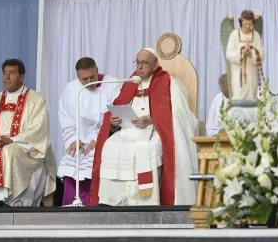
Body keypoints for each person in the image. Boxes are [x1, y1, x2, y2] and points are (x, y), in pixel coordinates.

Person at [90, 48, 198, 206]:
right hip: (128, 131)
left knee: (147, 148)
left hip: (154, 132)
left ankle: (144, 200)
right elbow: (118, 105)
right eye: (137, 62)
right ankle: (111, 199)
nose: (139, 67)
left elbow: (178, 114)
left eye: (144, 63)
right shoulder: (131, 82)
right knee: (110, 145)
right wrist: (114, 121)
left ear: (155, 65)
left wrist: (152, 120)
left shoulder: (169, 83)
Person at [0, 59, 56, 207]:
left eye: (12, 73)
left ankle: (9, 201)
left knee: (8, 152)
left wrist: (11, 141)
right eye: (5, 73)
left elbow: (38, 130)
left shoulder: (36, 100)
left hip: (26, 148)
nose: (7, 77)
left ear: (22, 76)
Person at [57, 57, 119, 206]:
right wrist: (72, 138)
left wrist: (99, 137)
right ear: (78, 77)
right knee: (71, 160)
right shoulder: (71, 89)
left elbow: (113, 115)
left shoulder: (113, 85)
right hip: (78, 139)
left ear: (97, 70)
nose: (89, 82)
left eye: (92, 76)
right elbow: (65, 116)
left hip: (103, 139)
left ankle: (93, 206)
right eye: (84, 79)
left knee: (94, 163)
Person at [226, 10, 264, 100]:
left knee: (251, 96)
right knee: (238, 94)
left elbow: (261, 54)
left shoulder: (256, 36)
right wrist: (242, 52)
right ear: (241, 22)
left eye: (250, 24)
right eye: (245, 24)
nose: (247, 26)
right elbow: (229, 53)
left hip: (252, 71)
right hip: (238, 71)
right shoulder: (234, 35)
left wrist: (252, 53)